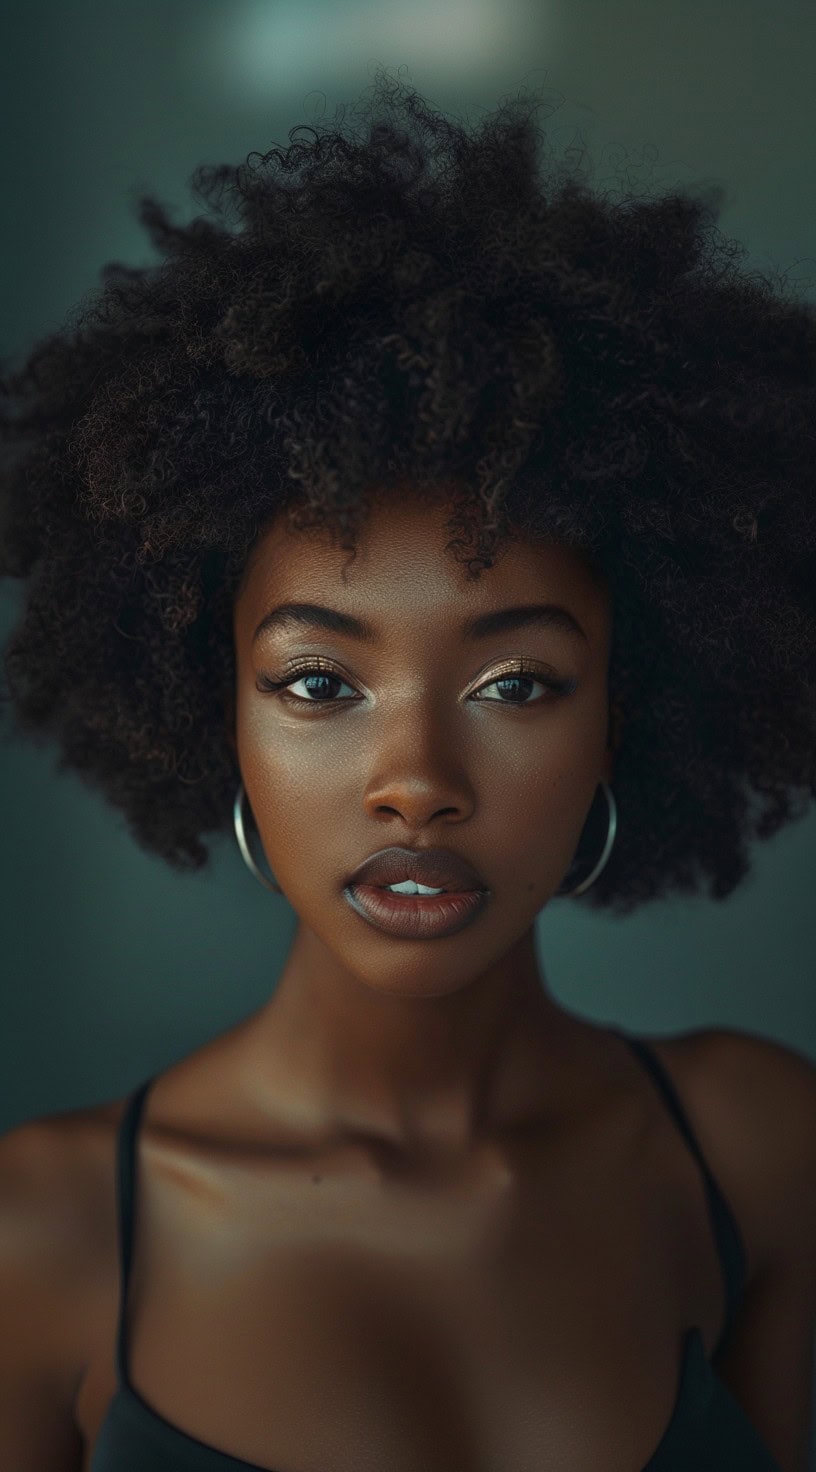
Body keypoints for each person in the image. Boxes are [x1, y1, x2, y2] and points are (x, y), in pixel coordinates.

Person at [0, 69, 814, 1472]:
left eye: (517, 684)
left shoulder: (755, 1152)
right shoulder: (45, 1236)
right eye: (320, 683)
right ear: (218, 716)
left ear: (625, 710)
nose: (416, 781)